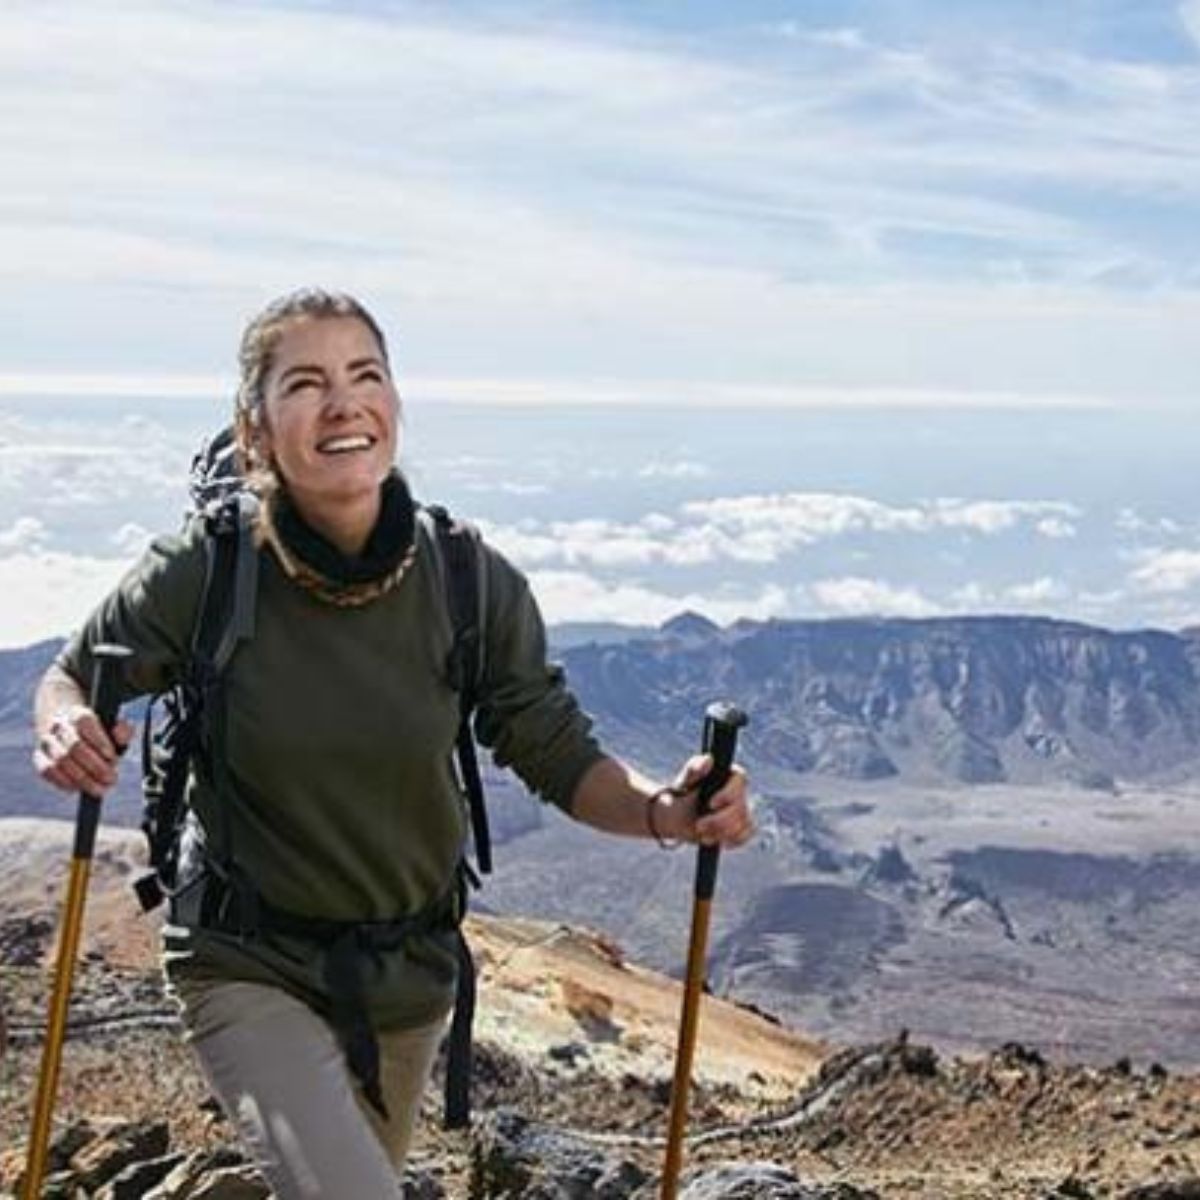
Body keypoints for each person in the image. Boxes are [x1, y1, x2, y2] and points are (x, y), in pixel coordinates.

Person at [31, 288, 754, 1199]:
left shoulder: (465, 579)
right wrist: (65, 724)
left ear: (396, 404)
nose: (343, 402)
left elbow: (557, 752)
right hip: (245, 958)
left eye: (365, 374)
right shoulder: (204, 571)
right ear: (255, 431)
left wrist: (665, 811)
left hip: (409, 983)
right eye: (305, 382)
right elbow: (68, 677)